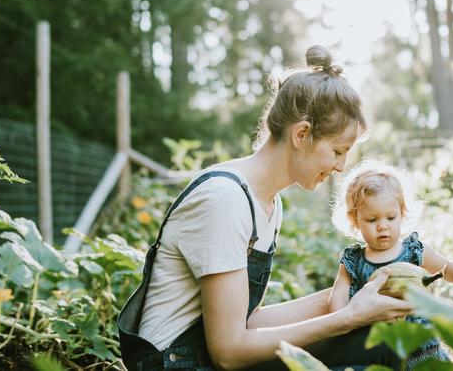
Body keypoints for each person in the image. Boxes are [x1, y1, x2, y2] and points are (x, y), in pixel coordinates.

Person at [118, 45, 413, 371]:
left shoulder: (267, 203)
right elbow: (228, 352)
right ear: (302, 133)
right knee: (375, 344)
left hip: (203, 357)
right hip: (174, 365)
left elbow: (248, 322)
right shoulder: (225, 200)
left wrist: (355, 294)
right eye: (338, 151)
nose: (342, 167)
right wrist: (346, 318)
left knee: (380, 334)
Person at [328, 160, 453, 367]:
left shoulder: (413, 251)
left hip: (420, 342)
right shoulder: (353, 261)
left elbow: (444, 267)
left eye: (391, 217)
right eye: (372, 220)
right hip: (378, 344)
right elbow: (337, 300)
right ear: (355, 220)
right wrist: (343, 320)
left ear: (402, 213)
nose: (383, 226)